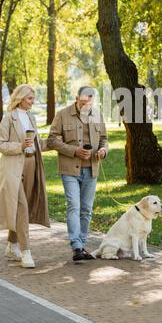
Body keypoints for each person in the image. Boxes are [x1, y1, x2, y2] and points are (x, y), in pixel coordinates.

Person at [0, 84, 50, 268]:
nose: (33, 101)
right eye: (30, 98)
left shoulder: (31, 117)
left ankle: (11, 245)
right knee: (21, 207)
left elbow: (37, 143)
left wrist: (56, 142)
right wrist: (19, 146)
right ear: (20, 98)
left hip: (32, 166)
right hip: (13, 169)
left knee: (24, 206)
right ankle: (26, 252)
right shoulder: (9, 117)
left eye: (33, 98)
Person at [47, 86, 108, 263]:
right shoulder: (62, 114)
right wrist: (75, 151)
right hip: (70, 169)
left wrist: (103, 150)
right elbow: (52, 139)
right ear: (76, 98)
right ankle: (76, 246)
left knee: (86, 209)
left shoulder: (97, 114)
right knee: (73, 205)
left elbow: (104, 138)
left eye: (89, 103)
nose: (85, 106)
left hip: (92, 168)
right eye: (82, 102)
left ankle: (81, 244)